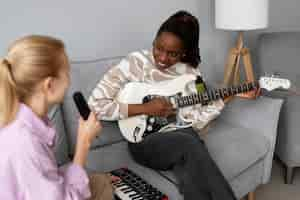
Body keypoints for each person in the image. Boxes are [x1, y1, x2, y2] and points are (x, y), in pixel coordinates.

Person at [88, 11, 258, 200]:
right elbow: (95, 105)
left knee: (191, 160)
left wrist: (226, 98)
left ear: (184, 52)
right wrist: (146, 108)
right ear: (154, 41)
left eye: (172, 54)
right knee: (191, 143)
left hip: (181, 136)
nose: (162, 58)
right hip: (143, 140)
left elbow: (196, 121)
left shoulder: (193, 75)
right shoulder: (134, 63)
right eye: (158, 48)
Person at [0, 35, 114, 200]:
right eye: (67, 73)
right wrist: (83, 143)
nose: (69, 81)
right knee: (99, 186)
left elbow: (46, 178)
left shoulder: (21, 119)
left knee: (100, 182)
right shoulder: (25, 143)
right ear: (49, 85)